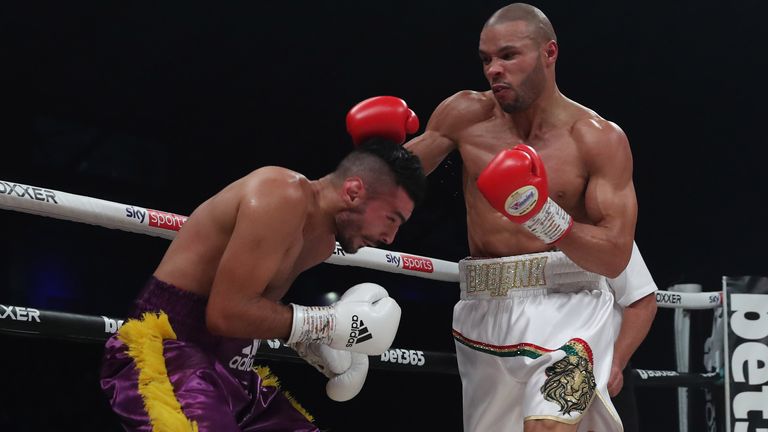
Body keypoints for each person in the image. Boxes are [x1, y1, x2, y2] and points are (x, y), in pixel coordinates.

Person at [391, 3, 656, 431]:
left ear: (549, 53)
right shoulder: (463, 115)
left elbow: (614, 259)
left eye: (508, 55)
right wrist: (378, 150)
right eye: (486, 59)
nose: (494, 69)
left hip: (570, 307)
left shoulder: (597, 139)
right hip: (483, 309)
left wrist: (544, 215)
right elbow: (392, 183)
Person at [99, 128, 426, 431]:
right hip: (169, 351)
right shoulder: (280, 194)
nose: (391, 237)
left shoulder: (321, 243)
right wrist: (326, 322)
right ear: (354, 191)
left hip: (234, 368)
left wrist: (310, 340)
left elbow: (257, 308)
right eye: (391, 218)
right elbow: (225, 313)